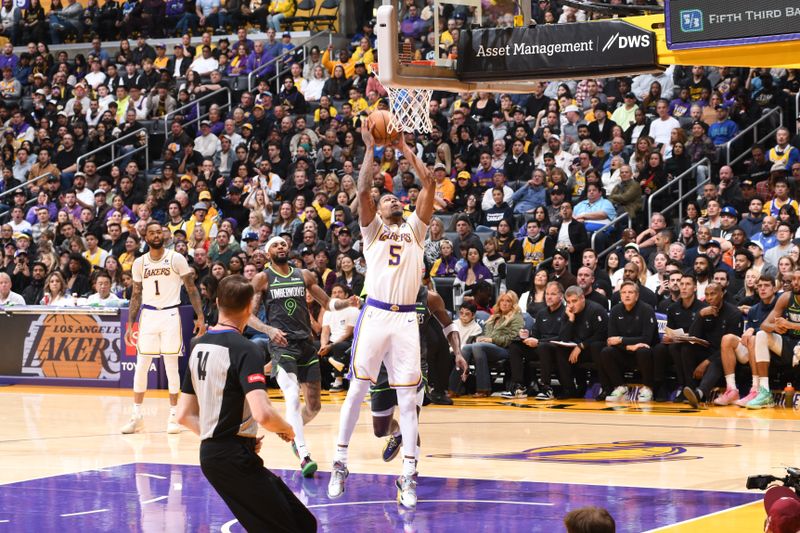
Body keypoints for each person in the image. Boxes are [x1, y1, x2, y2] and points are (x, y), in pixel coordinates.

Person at [327, 116, 438, 509]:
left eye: (393, 197)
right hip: (374, 315)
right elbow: (361, 189)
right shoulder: (372, 231)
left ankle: (408, 474)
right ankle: (339, 462)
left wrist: (405, 148)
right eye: (385, 198)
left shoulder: (415, 231)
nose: (390, 200)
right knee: (356, 390)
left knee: (408, 402)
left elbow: (430, 185)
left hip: (406, 318)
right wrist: (370, 148)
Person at [176, 275, 316, 533]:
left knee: (303, 523)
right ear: (250, 307)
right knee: (290, 527)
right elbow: (263, 413)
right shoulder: (246, 349)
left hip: (218, 453)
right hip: (231, 457)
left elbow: (183, 414)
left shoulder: (197, 345)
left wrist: (232, 437)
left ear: (217, 302)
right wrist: (287, 429)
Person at [249, 236, 356, 477]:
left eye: (284, 244)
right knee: (292, 397)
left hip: (306, 344)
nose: (282, 247)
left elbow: (328, 304)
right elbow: (248, 314)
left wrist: (347, 302)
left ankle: (290, 431)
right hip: (282, 345)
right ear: (268, 253)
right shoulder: (263, 278)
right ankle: (304, 453)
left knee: (314, 406)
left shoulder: (304, 275)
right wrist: (269, 330)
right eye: (276, 245)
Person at [122, 221, 205, 435]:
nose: (156, 235)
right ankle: (136, 415)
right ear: (146, 237)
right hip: (148, 315)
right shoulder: (140, 263)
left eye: (159, 232)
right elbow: (136, 294)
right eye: (152, 232)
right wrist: (131, 324)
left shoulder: (175, 258)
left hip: (170, 314)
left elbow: (191, 288)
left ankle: (174, 415)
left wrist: (200, 316)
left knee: (170, 365)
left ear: (164, 235)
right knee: (142, 365)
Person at [372, 286, 466, 461]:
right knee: (380, 430)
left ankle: (409, 472)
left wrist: (458, 352)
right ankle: (396, 433)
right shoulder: (384, 292)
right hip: (384, 365)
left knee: (411, 418)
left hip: (415, 364)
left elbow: (448, 325)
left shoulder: (431, 298)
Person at [715, 273, 777, 406]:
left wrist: (754, 330)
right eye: (760, 286)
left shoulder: (778, 306)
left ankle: (756, 389)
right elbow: (747, 334)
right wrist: (748, 331)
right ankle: (731, 390)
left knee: (754, 338)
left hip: (771, 350)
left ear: (774, 288)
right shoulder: (754, 309)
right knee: (727, 339)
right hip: (752, 350)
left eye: (766, 286)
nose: (762, 289)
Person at [682, 283, 743, 408]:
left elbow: (731, 346)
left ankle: (700, 393)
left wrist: (706, 362)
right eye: (707, 294)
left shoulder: (734, 313)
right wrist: (700, 316)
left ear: (722, 294)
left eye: (713, 294)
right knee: (685, 349)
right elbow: (693, 337)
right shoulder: (704, 311)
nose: (709, 298)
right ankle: (691, 390)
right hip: (708, 350)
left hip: (727, 354)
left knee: (717, 361)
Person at [598, 281, 659, 402]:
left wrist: (622, 340)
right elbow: (611, 339)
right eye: (624, 293)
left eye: (630, 292)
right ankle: (620, 387)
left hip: (645, 353)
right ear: (620, 295)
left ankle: (648, 388)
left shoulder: (647, 310)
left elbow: (647, 339)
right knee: (606, 351)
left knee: (643, 350)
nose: (627, 295)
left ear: (637, 295)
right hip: (624, 352)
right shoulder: (615, 310)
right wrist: (628, 347)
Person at [503, 281, 565, 399]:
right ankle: (518, 386)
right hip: (540, 347)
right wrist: (527, 335)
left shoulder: (566, 313)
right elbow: (535, 334)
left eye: (553, 294)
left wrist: (539, 342)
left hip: (557, 349)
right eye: (547, 294)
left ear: (561, 296)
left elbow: (563, 337)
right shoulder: (542, 313)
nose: (549, 297)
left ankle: (546, 387)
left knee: (543, 346)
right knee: (515, 345)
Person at [750, 269, 800, 409]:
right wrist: (775, 328)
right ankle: (765, 392)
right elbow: (764, 324)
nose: (796, 282)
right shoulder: (785, 297)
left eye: (799, 279)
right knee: (761, 335)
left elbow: (790, 325)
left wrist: (790, 324)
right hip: (790, 344)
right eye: (794, 279)